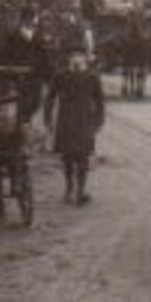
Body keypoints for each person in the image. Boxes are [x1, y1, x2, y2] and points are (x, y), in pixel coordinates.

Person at [45, 50, 105, 205]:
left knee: (83, 156)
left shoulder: (92, 77)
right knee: (67, 157)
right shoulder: (60, 76)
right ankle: (69, 187)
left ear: (84, 59)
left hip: (85, 120)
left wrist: (99, 120)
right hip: (66, 121)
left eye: (80, 56)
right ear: (70, 59)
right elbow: (50, 98)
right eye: (74, 56)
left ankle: (80, 191)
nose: (77, 60)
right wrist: (48, 119)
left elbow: (99, 101)